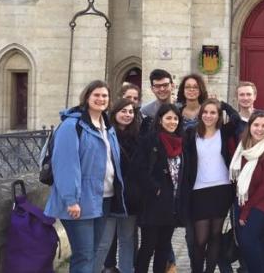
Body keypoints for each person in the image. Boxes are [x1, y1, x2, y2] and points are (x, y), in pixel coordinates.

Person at [44, 80, 127, 273]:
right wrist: (71, 200)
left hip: (104, 198)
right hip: (80, 200)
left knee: (93, 252)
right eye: (96, 95)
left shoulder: (107, 125)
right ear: (87, 97)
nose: (101, 99)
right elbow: (65, 165)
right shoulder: (72, 126)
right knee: (84, 254)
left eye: (104, 96)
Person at [183, 98, 241, 273]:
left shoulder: (224, 131)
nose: (209, 116)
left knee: (215, 235)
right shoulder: (191, 133)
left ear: (218, 115)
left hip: (221, 189)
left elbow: (237, 119)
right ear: (201, 114)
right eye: (205, 112)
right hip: (198, 190)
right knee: (200, 239)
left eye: (213, 112)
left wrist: (223, 104)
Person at [135, 103, 189, 273]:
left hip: (172, 204)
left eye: (175, 118)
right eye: (168, 118)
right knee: (147, 247)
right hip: (153, 203)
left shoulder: (181, 143)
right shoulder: (150, 140)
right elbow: (139, 169)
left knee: (164, 248)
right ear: (160, 120)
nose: (172, 122)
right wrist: (155, 188)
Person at [94, 98, 143, 273]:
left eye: (130, 112)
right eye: (123, 111)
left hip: (130, 197)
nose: (127, 115)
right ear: (114, 113)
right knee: (104, 241)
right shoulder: (106, 134)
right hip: (110, 196)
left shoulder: (138, 135)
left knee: (127, 239)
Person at [230, 111, 264, 273]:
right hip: (242, 197)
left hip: (262, 200)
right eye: (256, 125)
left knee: (248, 239)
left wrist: (246, 210)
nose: (260, 129)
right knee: (244, 242)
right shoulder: (241, 146)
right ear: (249, 126)